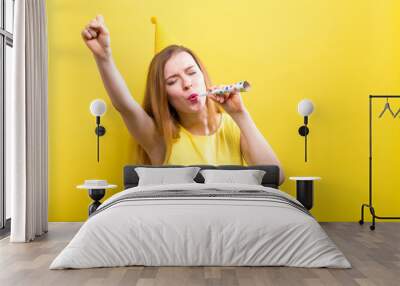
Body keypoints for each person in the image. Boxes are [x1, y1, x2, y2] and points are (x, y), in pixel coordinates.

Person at [81, 15, 285, 185]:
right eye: (172, 81)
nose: (187, 84)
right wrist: (103, 57)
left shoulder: (233, 128)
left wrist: (240, 115)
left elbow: (277, 176)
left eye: (191, 72)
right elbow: (125, 106)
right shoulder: (159, 138)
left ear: (203, 76)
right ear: (164, 95)